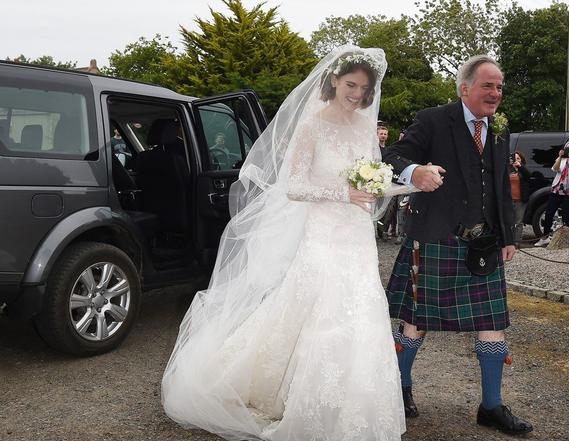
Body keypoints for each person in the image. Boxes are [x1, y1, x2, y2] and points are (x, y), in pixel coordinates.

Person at [162, 46, 405, 441]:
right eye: (350, 85)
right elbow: (293, 187)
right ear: (333, 81)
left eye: (363, 87)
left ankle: (355, 405)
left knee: (360, 310)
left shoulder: (364, 126)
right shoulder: (313, 124)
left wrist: (404, 185)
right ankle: (292, 397)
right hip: (323, 233)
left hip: (357, 235)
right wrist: (343, 193)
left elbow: (373, 180)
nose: (357, 94)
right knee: (317, 310)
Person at [383, 55, 532, 436]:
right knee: (415, 323)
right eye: (488, 85)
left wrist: (509, 236)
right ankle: (398, 389)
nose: (496, 93)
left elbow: (500, 186)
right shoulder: (434, 119)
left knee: (493, 323)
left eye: (499, 86)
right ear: (465, 88)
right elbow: (391, 155)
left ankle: (492, 406)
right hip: (436, 237)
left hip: (483, 243)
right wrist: (414, 171)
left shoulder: (497, 128)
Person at [534, 140, 569, 247]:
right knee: (549, 213)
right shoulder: (560, 160)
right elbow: (554, 169)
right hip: (557, 189)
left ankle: (563, 240)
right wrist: (560, 157)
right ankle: (545, 237)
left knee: (566, 216)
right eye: (568, 148)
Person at [509, 151, 531, 245]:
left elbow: (528, 175)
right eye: (514, 158)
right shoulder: (508, 169)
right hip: (509, 200)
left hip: (520, 200)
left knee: (518, 222)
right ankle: (508, 242)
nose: (516, 160)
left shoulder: (523, 169)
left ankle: (516, 242)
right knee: (509, 222)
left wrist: (519, 167)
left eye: (518, 158)